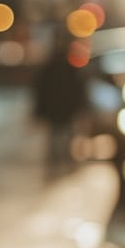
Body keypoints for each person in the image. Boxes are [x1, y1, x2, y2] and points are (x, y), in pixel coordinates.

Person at [33, 26, 86, 172]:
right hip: (60, 109)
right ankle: (59, 163)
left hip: (61, 109)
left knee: (60, 138)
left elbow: (40, 90)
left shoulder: (58, 66)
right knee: (59, 139)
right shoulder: (57, 67)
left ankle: (59, 163)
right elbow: (41, 90)